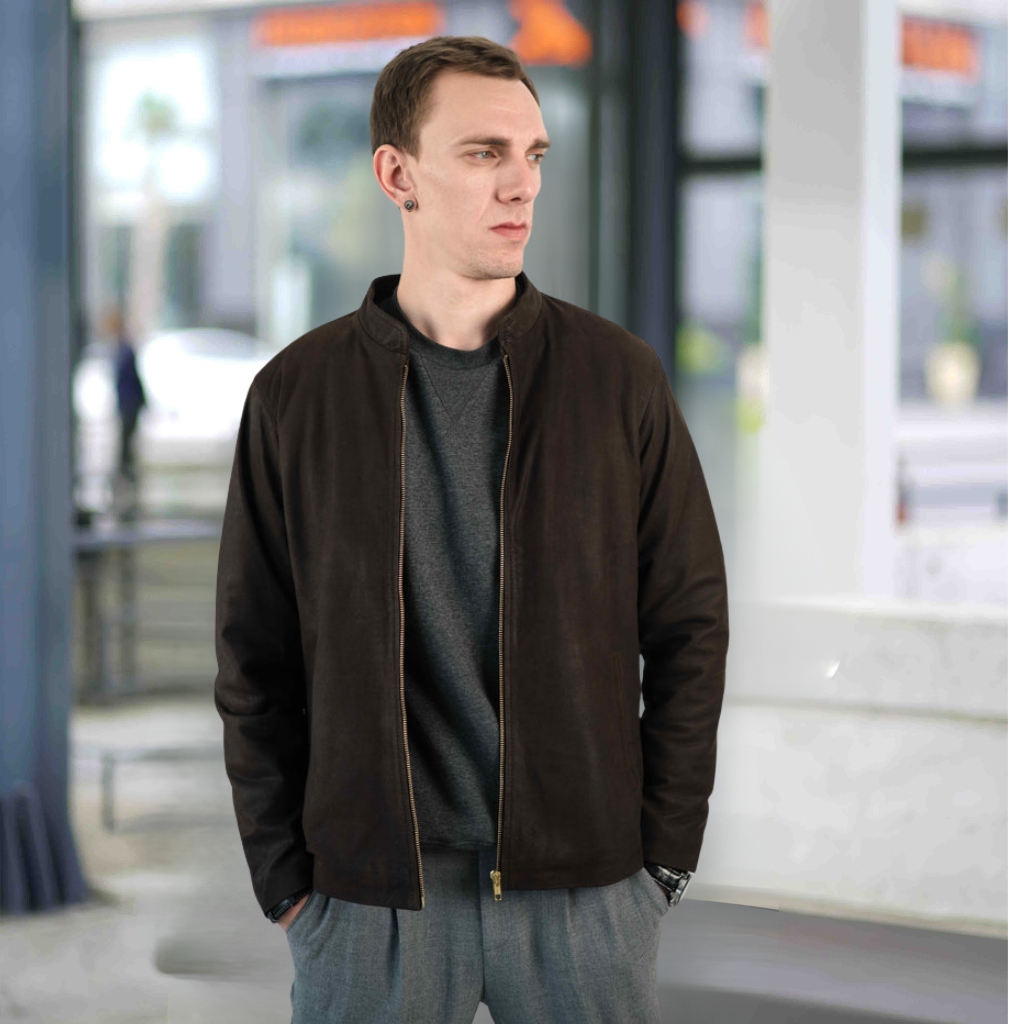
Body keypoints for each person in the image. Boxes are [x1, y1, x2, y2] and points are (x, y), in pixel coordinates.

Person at [214, 35, 728, 1024]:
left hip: (583, 889)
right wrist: (285, 875)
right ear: (395, 173)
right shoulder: (297, 395)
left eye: (533, 156)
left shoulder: (616, 378)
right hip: (368, 897)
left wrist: (660, 855)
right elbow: (254, 656)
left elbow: (688, 623)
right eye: (484, 154)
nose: (519, 186)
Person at [105, 306, 147, 486]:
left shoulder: (124, 349)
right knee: (125, 440)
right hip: (126, 403)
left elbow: (133, 378)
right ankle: (126, 474)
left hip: (129, 403)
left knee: (126, 441)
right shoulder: (120, 348)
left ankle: (127, 475)